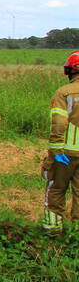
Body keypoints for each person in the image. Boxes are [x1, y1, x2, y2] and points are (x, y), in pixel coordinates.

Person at [40, 51, 79, 232]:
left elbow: (59, 123)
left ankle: (52, 230)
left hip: (65, 153)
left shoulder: (64, 93)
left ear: (69, 71)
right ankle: (76, 233)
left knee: (56, 189)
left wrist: (56, 151)